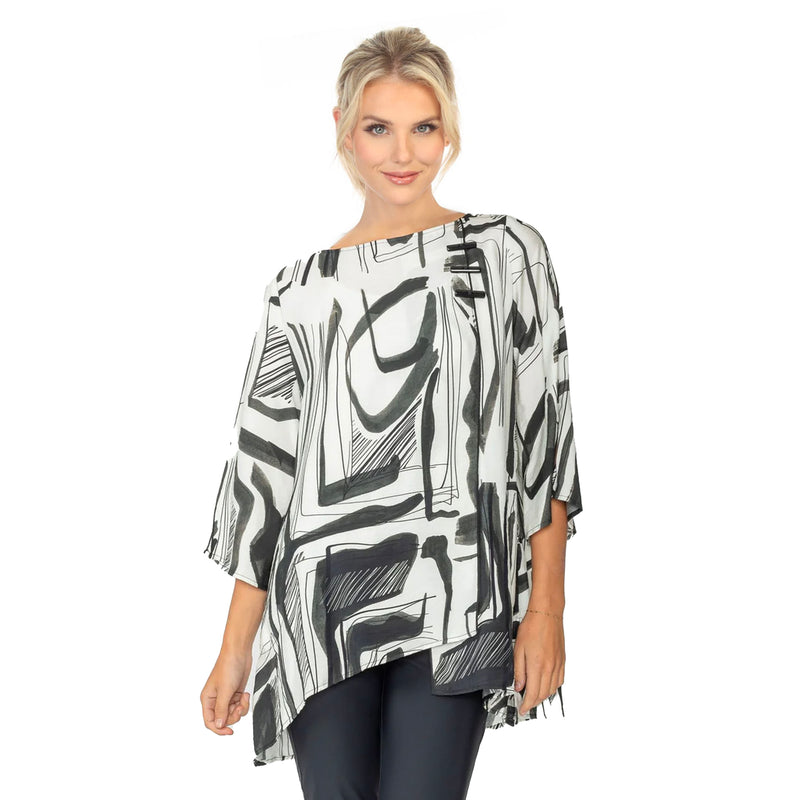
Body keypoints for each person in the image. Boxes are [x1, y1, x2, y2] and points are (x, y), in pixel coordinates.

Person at [199, 26, 584, 800]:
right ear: (343, 130)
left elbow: (544, 437)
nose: (403, 153)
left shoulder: (506, 252)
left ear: (449, 131)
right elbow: (263, 478)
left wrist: (547, 608)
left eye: (424, 127)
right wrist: (234, 649)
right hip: (320, 603)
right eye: (379, 128)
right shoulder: (300, 290)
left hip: (461, 590)